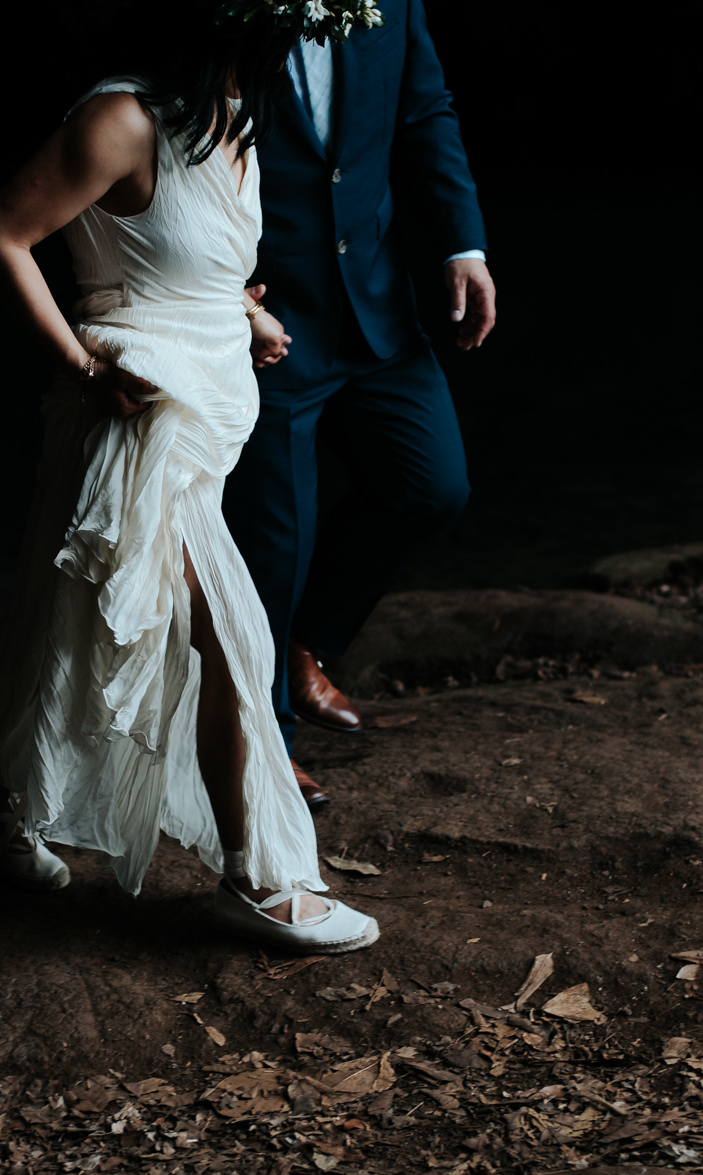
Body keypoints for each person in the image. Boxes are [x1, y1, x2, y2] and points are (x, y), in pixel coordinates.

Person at [0, 2, 387, 953]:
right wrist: (84, 368)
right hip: (135, 424)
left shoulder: (233, 114)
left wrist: (246, 317)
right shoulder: (124, 119)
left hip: (202, 418)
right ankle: (261, 877)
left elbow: (192, 261)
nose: (318, 38)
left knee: (65, 621)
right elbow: (3, 237)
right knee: (231, 634)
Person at [222, 0, 496, 809]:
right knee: (275, 542)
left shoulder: (397, 3)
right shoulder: (227, 16)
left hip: (375, 299)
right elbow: (173, 144)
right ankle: (267, 746)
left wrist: (461, 243)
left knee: (430, 483)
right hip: (262, 313)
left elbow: (425, 112)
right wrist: (222, 296)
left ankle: (308, 643)